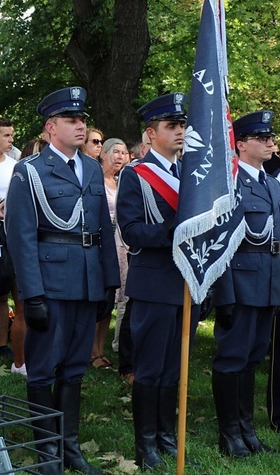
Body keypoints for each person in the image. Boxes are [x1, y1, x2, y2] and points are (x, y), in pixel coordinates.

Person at [5, 86, 118, 475]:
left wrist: (108, 282)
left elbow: (101, 228)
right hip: (51, 282)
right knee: (44, 369)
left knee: (73, 369)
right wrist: (31, 294)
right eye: (72, 120)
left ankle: (69, 446)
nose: (80, 125)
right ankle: (47, 452)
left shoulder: (89, 168)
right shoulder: (31, 171)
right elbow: (21, 236)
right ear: (51, 127)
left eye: (83, 119)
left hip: (86, 281)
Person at [116, 92, 200, 470]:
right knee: (150, 367)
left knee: (174, 366)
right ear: (151, 134)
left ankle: (167, 435)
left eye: (182, 125)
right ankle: (145, 444)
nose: (180, 131)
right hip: (154, 284)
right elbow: (132, 231)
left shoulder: (193, 173)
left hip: (189, 281)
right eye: (172, 126)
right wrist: (174, 230)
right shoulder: (136, 175)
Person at [212, 111, 279, 457]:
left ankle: (247, 429)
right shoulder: (231, 183)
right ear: (240, 145)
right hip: (240, 282)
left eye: (270, 136)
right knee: (232, 358)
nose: (270, 142)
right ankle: (229, 434)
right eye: (262, 137)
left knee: (253, 357)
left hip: (268, 283)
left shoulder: (272, 182)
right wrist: (224, 294)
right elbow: (222, 242)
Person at [0, 117, 26, 376]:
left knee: (20, 291)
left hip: (13, 234)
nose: (11, 140)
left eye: (12, 135)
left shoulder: (16, 166)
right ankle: (1, 342)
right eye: (7, 135)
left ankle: (20, 346)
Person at [92, 139, 129, 371]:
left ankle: (101, 348)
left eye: (124, 153)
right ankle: (91, 352)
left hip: (121, 245)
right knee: (100, 298)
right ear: (103, 154)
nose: (120, 156)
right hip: (100, 244)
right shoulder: (95, 179)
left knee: (113, 299)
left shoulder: (121, 182)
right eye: (116, 152)